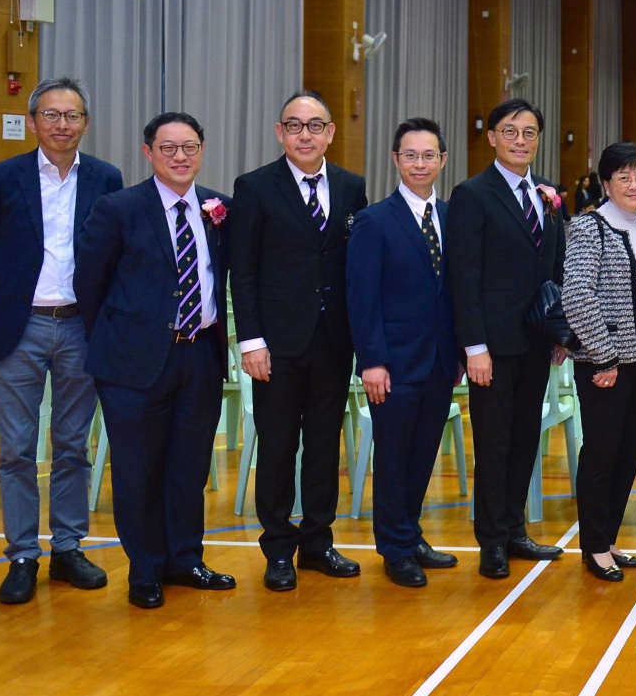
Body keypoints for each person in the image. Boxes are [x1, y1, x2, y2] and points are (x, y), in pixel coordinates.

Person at [0, 78, 122, 606]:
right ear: (32, 122)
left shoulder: (105, 177)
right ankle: (22, 555)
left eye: (72, 115)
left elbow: (112, 249)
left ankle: (69, 548)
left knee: (73, 446)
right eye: (51, 115)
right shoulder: (0, 177)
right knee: (16, 450)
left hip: (81, 326)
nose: (61, 124)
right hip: (20, 326)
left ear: (85, 124)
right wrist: (12, 293)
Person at [74, 112, 232, 610]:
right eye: (168, 148)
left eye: (189, 147)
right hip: (133, 364)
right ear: (148, 152)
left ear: (201, 150)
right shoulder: (118, 208)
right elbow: (89, 284)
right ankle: (144, 571)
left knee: (189, 468)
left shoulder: (219, 208)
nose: (180, 156)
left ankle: (184, 560)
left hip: (200, 356)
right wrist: (121, 339)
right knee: (138, 471)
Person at [228, 92, 368, 592]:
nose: (304, 134)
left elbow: (356, 264)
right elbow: (243, 270)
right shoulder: (254, 187)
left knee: (325, 447)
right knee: (278, 446)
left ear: (330, 132)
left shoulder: (352, 186)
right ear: (279, 132)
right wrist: (251, 341)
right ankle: (278, 549)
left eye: (314, 126)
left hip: (333, 341)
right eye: (294, 125)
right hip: (277, 343)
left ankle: (317, 542)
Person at [447, 98, 567, 579]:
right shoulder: (472, 194)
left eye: (530, 132)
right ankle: (492, 540)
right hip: (492, 348)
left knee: (524, 440)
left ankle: (515, 528)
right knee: (494, 445)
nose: (521, 140)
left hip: (536, 341)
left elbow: (555, 267)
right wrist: (474, 347)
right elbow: (464, 277)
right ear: (493, 137)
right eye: (511, 131)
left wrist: (560, 331)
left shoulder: (548, 194)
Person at [346, 119, 464, 588]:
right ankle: (394, 549)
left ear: (443, 160)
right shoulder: (374, 220)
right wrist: (372, 361)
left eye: (428, 155)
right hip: (393, 364)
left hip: (441, 361)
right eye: (410, 155)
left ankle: (411, 535)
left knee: (422, 455)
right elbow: (362, 298)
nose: (420, 163)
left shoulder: (453, 217)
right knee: (394, 457)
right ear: (396, 160)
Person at [563, 142, 636, 583]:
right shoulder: (590, 227)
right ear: (606, 183)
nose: (634, 184)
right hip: (606, 363)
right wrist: (604, 356)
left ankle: (608, 538)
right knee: (602, 453)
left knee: (629, 453)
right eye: (624, 177)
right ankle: (593, 545)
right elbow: (577, 295)